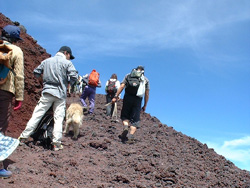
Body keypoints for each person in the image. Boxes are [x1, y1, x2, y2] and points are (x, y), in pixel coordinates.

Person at [18, 46, 78, 151]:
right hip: (60, 95)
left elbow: (36, 72)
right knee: (58, 119)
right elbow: (74, 77)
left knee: (37, 115)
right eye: (69, 56)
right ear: (66, 53)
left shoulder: (47, 61)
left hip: (47, 92)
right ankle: (56, 143)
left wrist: (42, 81)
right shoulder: (67, 63)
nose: (69, 58)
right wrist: (67, 84)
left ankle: (23, 137)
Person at [0, 25, 24, 178]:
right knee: (1, 127)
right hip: (5, 92)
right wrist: (19, 97)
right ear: (14, 39)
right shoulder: (16, 51)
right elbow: (20, 76)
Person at [112, 66, 150, 144]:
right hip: (138, 100)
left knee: (125, 116)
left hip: (127, 98)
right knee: (135, 120)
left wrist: (116, 96)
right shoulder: (145, 79)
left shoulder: (128, 75)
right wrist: (145, 105)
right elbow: (147, 94)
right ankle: (131, 135)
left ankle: (126, 126)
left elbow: (122, 86)